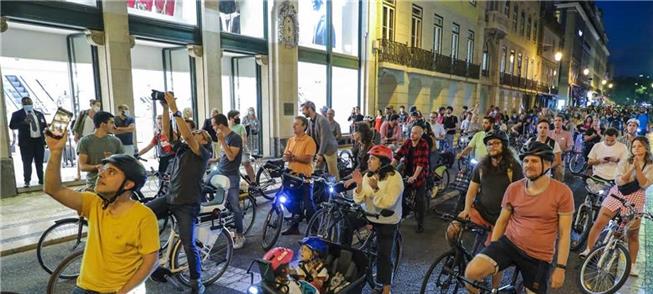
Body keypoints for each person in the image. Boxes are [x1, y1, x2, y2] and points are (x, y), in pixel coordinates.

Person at [44, 130, 158, 294]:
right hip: (82, 287)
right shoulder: (94, 203)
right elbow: (53, 189)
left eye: (112, 172)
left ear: (128, 185)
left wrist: (122, 292)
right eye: (103, 169)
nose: (101, 174)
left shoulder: (144, 216)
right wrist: (55, 152)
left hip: (116, 290)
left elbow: (151, 262)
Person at [464, 142, 574, 294]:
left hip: (539, 255)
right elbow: (502, 221)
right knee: (471, 273)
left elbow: (564, 233)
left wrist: (561, 268)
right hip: (510, 244)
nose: (528, 165)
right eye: (526, 161)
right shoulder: (514, 188)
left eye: (534, 161)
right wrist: (493, 248)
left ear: (548, 164)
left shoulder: (563, 192)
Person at [147, 92, 212, 294]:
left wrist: (175, 108)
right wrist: (165, 108)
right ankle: (153, 262)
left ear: (205, 141)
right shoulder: (183, 149)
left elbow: (187, 135)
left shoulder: (203, 153)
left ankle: (196, 282)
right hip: (170, 198)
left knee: (188, 244)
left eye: (200, 133)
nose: (196, 133)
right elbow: (167, 132)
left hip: (187, 204)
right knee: (141, 215)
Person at [447, 130, 523, 288]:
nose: (492, 146)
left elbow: (520, 195)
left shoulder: (513, 167)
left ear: (504, 146)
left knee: (494, 256)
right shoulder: (482, 166)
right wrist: (467, 209)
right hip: (480, 211)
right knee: (452, 229)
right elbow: (471, 191)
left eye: (496, 143)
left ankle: (494, 289)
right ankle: (456, 256)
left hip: (501, 218)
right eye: (489, 143)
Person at [581, 136, 653, 276]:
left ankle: (632, 265)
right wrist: (632, 168)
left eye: (639, 146)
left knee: (633, 235)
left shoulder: (651, 165)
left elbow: (645, 184)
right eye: (634, 146)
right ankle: (588, 250)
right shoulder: (626, 160)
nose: (636, 149)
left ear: (646, 148)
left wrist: (638, 169)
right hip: (618, 194)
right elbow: (619, 181)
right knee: (599, 222)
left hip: (636, 198)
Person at [352, 145, 403, 294]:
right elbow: (359, 200)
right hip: (369, 216)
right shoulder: (369, 176)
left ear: (382, 162)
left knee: (384, 255)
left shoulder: (395, 178)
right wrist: (359, 185)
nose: (368, 161)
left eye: (373, 158)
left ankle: (386, 289)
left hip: (387, 220)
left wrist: (375, 189)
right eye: (369, 158)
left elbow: (387, 203)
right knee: (345, 223)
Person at [211, 113, 247, 249]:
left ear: (220, 124)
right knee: (204, 187)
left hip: (231, 175)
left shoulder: (234, 138)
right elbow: (224, 156)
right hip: (219, 171)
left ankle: (240, 234)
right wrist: (213, 160)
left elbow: (231, 157)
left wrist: (222, 142)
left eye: (214, 125)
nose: (213, 128)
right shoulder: (224, 138)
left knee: (235, 205)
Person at [280, 116, 317, 235]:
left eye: (297, 124)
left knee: (308, 204)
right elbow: (285, 156)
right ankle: (294, 225)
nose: (293, 126)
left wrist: (294, 157)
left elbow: (308, 159)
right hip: (291, 175)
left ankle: (315, 230)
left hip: (304, 177)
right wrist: (286, 157)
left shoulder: (309, 141)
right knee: (289, 200)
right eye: (294, 124)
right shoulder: (291, 140)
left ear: (304, 126)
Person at [392, 125, 430, 233]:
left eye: (415, 133)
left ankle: (420, 223)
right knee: (400, 196)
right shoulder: (408, 142)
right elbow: (398, 155)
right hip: (407, 173)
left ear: (420, 134)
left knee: (419, 200)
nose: (412, 134)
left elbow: (421, 163)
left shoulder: (424, 144)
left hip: (419, 175)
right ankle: (401, 216)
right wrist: (390, 167)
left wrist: (415, 176)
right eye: (411, 132)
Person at [77, 111, 124, 190]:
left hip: (113, 184)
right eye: (112, 123)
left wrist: (112, 160)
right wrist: (97, 167)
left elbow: (122, 165)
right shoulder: (85, 141)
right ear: (103, 124)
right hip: (93, 185)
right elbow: (82, 166)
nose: (114, 126)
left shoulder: (116, 141)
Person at [9, 97, 47, 188]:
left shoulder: (39, 114)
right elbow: (12, 126)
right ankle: (27, 181)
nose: (28, 105)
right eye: (26, 103)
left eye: (29, 103)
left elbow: (44, 125)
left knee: (39, 162)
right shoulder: (17, 114)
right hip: (26, 143)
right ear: (22, 104)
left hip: (38, 141)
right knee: (27, 162)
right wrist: (23, 122)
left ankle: (41, 179)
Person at [302, 101, 340, 180]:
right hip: (320, 150)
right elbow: (307, 136)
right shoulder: (310, 121)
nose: (303, 112)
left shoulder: (322, 120)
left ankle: (337, 190)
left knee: (333, 173)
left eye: (303, 110)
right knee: (316, 170)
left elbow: (324, 138)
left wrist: (320, 154)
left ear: (309, 109)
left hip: (329, 150)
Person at [72, 99, 102, 180]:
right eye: (97, 105)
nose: (98, 107)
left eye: (99, 106)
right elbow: (77, 124)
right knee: (80, 155)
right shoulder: (83, 113)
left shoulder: (98, 116)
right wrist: (76, 135)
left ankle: (93, 173)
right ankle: (78, 175)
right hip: (82, 136)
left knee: (92, 155)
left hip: (92, 138)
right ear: (92, 105)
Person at [227, 110, 256, 183]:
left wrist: (241, 146)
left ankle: (253, 181)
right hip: (231, 149)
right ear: (230, 118)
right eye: (236, 117)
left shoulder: (241, 127)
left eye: (239, 117)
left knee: (246, 163)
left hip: (242, 149)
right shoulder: (227, 128)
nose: (238, 119)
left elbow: (244, 139)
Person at [549, 115, 574, 181]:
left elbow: (570, 147)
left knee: (558, 178)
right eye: (555, 120)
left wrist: (562, 152)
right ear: (553, 122)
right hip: (548, 158)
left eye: (559, 120)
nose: (557, 122)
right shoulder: (549, 133)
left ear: (563, 123)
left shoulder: (567, 134)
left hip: (560, 159)